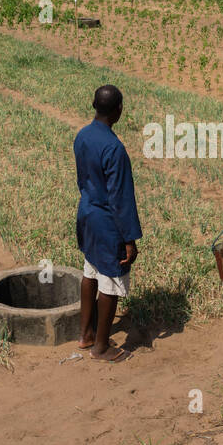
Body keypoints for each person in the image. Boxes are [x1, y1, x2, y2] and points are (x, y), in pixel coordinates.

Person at [73, 84, 142, 363]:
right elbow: (121, 198)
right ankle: (101, 347)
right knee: (111, 280)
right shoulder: (114, 148)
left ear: (93, 104)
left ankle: (85, 334)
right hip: (107, 222)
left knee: (90, 272)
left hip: (87, 213)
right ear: (119, 110)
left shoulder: (83, 136)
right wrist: (129, 239)